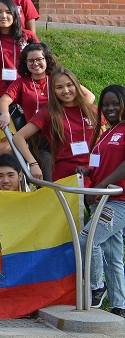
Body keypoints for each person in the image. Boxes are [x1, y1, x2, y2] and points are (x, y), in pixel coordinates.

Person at [83, 85, 125, 314]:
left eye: (115, 103)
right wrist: (89, 172)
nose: (110, 108)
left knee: (87, 239)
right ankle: (119, 306)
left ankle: (96, 286)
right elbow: (101, 163)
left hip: (118, 200)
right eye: (106, 104)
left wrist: (100, 186)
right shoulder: (108, 131)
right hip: (101, 199)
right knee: (113, 255)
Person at [13, 69, 97, 180]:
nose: (66, 91)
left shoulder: (92, 110)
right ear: (53, 90)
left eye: (69, 85)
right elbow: (18, 137)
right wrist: (33, 164)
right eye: (59, 87)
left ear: (77, 86)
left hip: (93, 172)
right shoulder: (48, 113)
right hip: (65, 176)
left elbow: (102, 140)